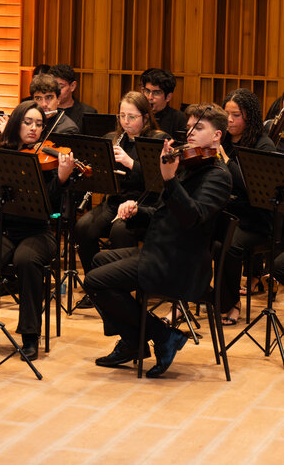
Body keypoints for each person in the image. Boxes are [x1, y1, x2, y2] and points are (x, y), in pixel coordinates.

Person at [84, 103, 231, 378]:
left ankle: (155, 336)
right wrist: (138, 211)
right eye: (189, 128)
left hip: (180, 263)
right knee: (98, 260)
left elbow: (192, 217)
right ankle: (139, 340)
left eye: (198, 128)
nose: (190, 134)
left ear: (217, 136)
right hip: (161, 251)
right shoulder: (190, 165)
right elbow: (165, 214)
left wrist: (170, 179)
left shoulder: (218, 177)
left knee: (95, 281)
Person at [0, 101, 75, 361]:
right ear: (16, 124)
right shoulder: (0, 153)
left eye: (39, 124)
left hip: (38, 232)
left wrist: (61, 178)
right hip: (3, 230)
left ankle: (29, 336)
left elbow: (52, 208)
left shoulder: (50, 159)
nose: (34, 128)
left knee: (27, 261)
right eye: (28, 122)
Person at [73, 92, 169, 293]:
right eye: (122, 116)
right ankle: (95, 284)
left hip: (145, 205)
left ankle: (121, 289)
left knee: (120, 230)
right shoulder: (112, 138)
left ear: (145, 117)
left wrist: (130, 163)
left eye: (132, 117)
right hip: (116, 201)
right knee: (83, 227)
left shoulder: (157, 140)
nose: (126, 122)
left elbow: (159, 179)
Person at [217, 89, 277, 325]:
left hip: (256, 218)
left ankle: (232, 303)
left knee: (230, 246)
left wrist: (226, 161)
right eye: (226, 114)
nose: (229, 120)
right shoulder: (222, 139)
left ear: (249, 117)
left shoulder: (263, 145)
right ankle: (208, 295)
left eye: (236, 115)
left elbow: (256, 187)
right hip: (228, 210)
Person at [49, 64, 97, 133]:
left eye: (60, 87)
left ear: (72, 86)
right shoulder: (44, 110)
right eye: (52, 86)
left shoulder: (88, 112)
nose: (55, 91)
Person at [140, 68, 187, 138]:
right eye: (147, 91)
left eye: (156, 93)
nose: (149, 97)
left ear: (168, 97)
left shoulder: (179, 119)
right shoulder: (137, 115)